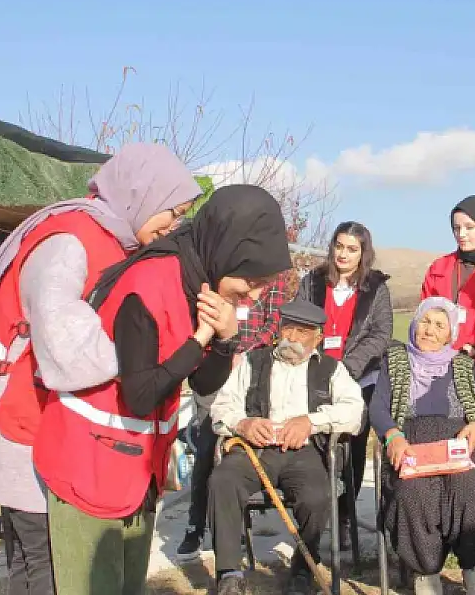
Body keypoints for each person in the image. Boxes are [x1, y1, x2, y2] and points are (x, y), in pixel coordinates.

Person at [0, 143, 201, 595]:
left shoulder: (110, 239)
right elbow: (65, 350)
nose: (174, 225)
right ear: (139, 195)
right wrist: (146, 350)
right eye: (171, 212)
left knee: (37, 568)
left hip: (45, 429)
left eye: (182, 215)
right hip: (22, 430)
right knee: (46, 569)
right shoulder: (71, 244)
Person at [32, 184, 292, 595]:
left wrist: (224, 341)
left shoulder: (200, 282)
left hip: (136, 470)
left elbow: (203, 383)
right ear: (226, 252)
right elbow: (139, 394)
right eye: (252, 280)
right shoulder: (149, 283)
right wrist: (200, 340)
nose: (256, 295)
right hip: (90, 466)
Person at [207, 299, 365, 595]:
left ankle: (304, 569)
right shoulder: (253, 362)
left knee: (317, 495)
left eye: (302, 332)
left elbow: (355, 411)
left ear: (318, 337)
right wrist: (243, 424)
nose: (291, 338)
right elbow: (221, 407)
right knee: (222, 481)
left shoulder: (332, 369)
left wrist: (311, 422)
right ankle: (229, 573)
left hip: (304, 452)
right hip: (255, 449)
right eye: (288, 329)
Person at [370, 297, 475, 595]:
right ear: (414, 324)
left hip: (458, 447)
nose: (429, 331)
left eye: (439, 325)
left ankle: (474, 569)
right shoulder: (394, 363)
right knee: (411, 495)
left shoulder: (463, 365)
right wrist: (393, 435)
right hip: (411, 447)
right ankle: (425, 572)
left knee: (473, 491)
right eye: (425, 322)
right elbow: (377, 407)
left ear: (450, 334)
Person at [295, 221, 393, 547]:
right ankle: (315, 513)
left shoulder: (377, 288)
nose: (343, 254)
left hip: (360, 376)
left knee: (351, 446)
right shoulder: (311, 283)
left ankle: (345, 515)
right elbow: (297, 324)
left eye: (352, 248)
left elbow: (380, 334)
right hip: (315, 374)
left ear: (363, 252)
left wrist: (347, 368)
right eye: (339, 246)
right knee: (316, 443)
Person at [177, 276, 287, 560]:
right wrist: (225, 351)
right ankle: (196, 525)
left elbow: (273, 322)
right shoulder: (218, 271)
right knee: (206, 449)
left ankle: (234, 526)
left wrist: (245, 355)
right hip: (215, 364)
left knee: (240, 447)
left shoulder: (277, 276)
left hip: (251, 372)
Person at [421, 195, 475, 366]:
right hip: (439, 360)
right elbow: (426, 311)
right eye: (456, 228)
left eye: (469, 227)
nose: (461, 234)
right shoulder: (438, 268)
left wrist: (474, 345)